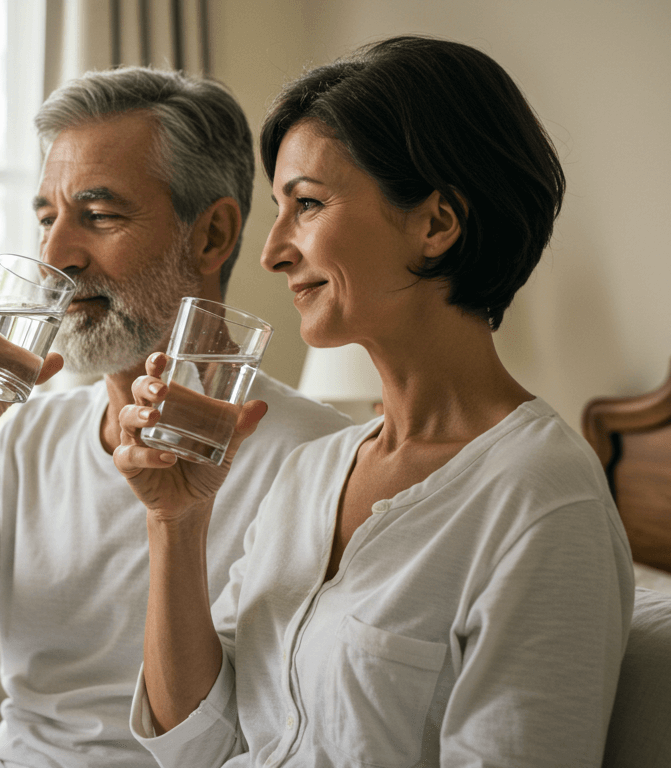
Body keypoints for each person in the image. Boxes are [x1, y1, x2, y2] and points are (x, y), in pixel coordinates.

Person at [0, 67, 352, 768]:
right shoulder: (33, 435)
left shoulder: (322, 459)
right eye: (47, 218)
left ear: (212, 235)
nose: (55, 256)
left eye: (98, 216)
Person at [114, 36, 634, 767]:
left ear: (436, 223)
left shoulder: (540, 500)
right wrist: (175, 520)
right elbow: (196, 746)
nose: (271, 251)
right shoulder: (308, 472)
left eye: (307, 204)